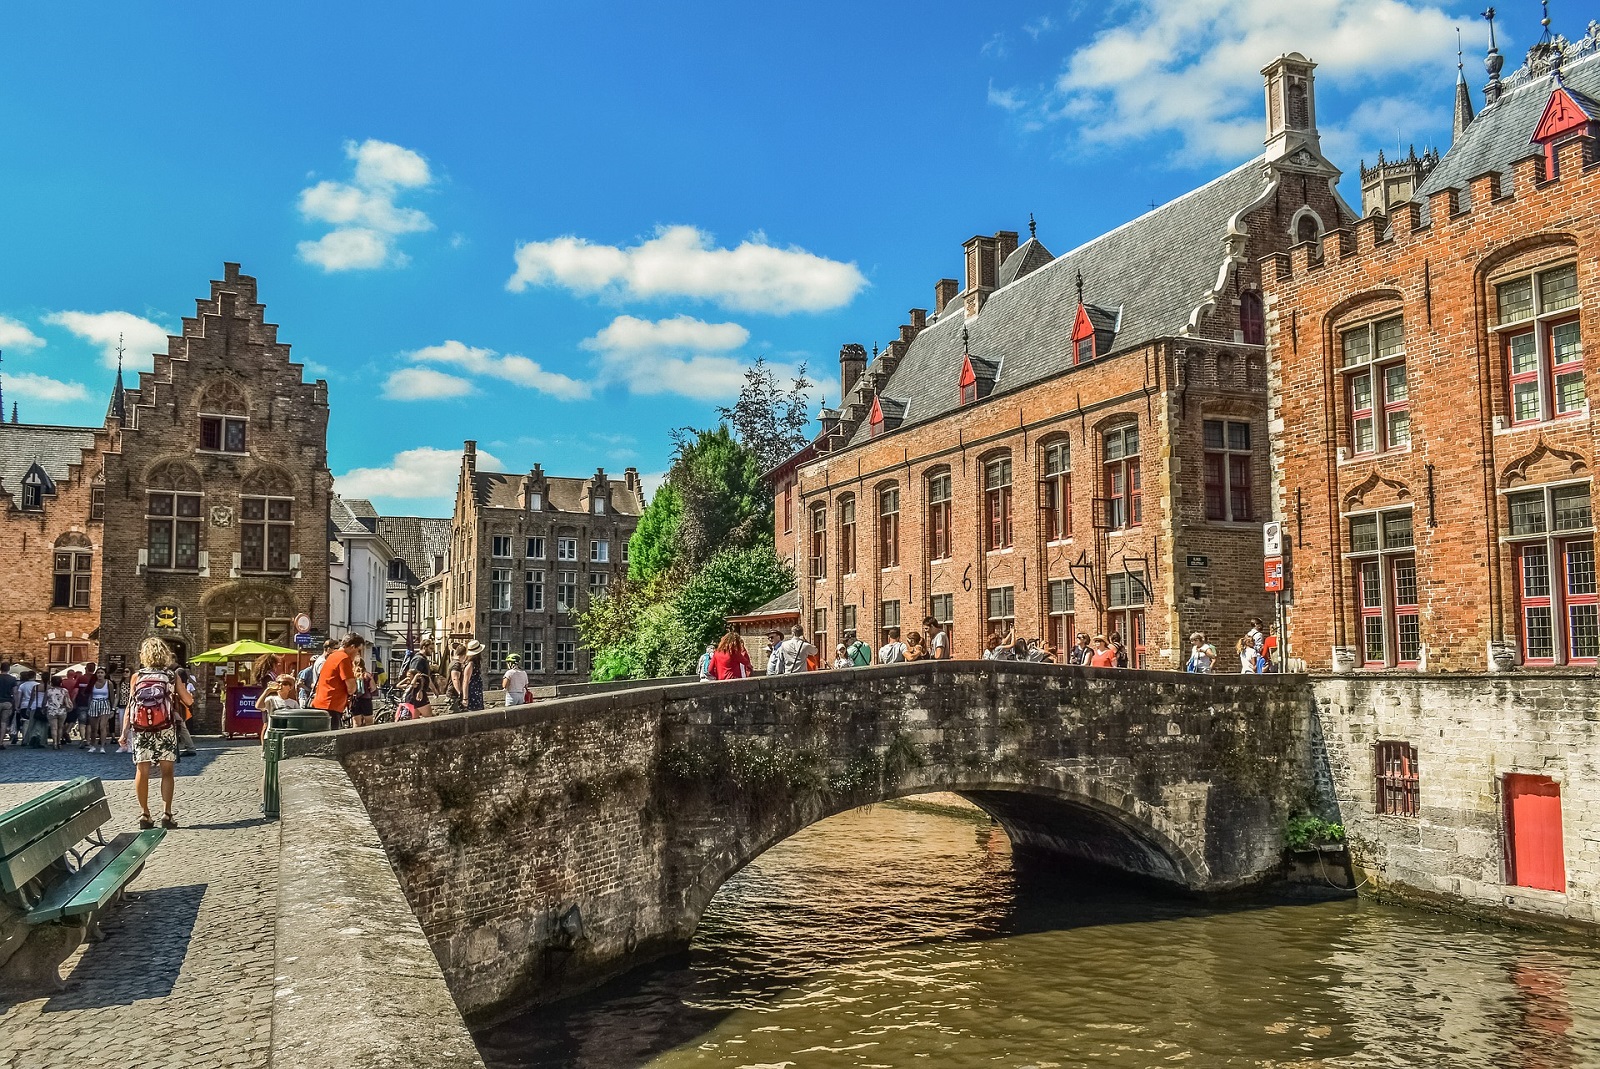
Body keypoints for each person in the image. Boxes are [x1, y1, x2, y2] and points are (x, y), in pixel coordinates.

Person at [127, 638, 181, 829]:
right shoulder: (171, 676)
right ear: (165, 654)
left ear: (144, 655)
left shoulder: (137, 676)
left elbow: (130, 705)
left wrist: (124, 731)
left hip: (141, 729)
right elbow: (189, 700)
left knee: (142, 770)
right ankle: (167, 814)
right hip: (165, 727)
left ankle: (145, 814)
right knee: (167, 772)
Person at [312, 633, 366, 728]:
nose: (358, 654)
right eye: (358, 650)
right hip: (331, 705)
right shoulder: (344, 658)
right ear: (352, 647)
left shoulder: (333, 656)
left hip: (322, 703)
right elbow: (351, 688)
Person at [172, 668, 198, 755]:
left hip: (178, 708)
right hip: (181, 708)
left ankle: (190, 748)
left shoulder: (180, 685)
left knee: (182, 728)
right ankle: (185, 746)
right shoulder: (185, 684)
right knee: (182, 728)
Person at [85, 667, 112, 753]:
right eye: (98, 673)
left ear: (105, 674)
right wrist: (89, 706)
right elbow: (89, 695)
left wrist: (113, 708)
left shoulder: (109, 683)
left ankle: (102, 746)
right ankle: (93, 745)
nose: (100, 674)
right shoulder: (93, 683)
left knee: (102, 726)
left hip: (104, 703)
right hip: (94, 703)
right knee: (94, 728)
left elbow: (111, 696)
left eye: (102, 673)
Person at [14, 669, 40, 747]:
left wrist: (17, 706)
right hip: (35, 705)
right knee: (35, 722)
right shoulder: (38, 685)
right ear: (35, 676)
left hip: (24, 705)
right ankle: (33, 738)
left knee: (25, 722)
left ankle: (25, 739)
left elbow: (19, 696)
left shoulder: (23, 685)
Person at [44, 675, 71, 748]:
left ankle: (54, 742)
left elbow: (44, 701)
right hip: (62, 710)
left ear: (52, 682)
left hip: (51, 710)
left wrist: (43, 709)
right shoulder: (64, 691)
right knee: (60, 727)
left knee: (53, 727)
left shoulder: (49, 691)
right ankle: (59, 742)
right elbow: (68, 700)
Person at [349, 657, 376, 728]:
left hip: (355, 700)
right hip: (366, 700)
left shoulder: (352, 675)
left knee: (356, 723)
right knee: (369, 722)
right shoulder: (368, 675)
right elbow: (373, 688)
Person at [462, 640, 485, 711]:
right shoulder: (470, 664)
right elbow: (465, 681)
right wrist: (465, 698)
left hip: (476, 692)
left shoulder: (475, 664)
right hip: (472, 693)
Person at [0, 661, 14, 748]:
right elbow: (15, 692)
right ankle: (0, 742)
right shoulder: (12, 679)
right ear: (9, 669)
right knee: (4, 722)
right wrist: (16, 703)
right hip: (7, 702)